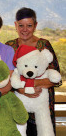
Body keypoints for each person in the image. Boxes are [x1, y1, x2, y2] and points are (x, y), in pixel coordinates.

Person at [5, 7, 62, 136]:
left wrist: (31, 84)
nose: (25, 29)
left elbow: (56, 78)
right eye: (21, 25)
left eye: (29, 25)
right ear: (15, 25)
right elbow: (5, 77)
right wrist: (20, 90)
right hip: (16, 107)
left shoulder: (44, 45)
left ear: (35, 25)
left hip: (43, 108)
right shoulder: (9, 47)